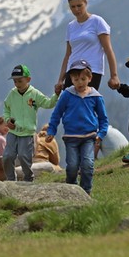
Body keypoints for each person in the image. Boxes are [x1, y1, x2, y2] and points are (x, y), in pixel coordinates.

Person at [45, 59, 109, 195]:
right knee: (72, 166)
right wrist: (51, 130)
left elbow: (103, 119)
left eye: (82, 79)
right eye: (75, 79)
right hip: (71, 138)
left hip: (89, 137)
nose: (79, 82)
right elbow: (57, 114)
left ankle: (86, 192)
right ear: (71, 79)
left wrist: (101, 133)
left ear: (90, 78)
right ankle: (72, 190)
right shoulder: (67, 95)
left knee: (87, 165)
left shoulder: (96, 97)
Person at [55, 0, 121, 93]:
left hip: (91, 71)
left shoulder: (97, 21)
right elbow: (68, 55)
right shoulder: (70, 26)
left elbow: (108, 49)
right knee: (69, 106)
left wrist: (114, 76)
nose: (76, 9)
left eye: (79, 5)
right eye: (73, 7)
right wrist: (60, 80)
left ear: (85, 3)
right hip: (73, 71)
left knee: (86, 104)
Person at [1, 64, 59, 181]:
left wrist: (56, 94)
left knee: (24, 157)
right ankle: (11, 180)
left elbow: (48, 103)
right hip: (13, 132)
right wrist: (7, 120)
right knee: (7, 156)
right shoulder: (12, 94)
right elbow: (6, 108)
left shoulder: (35, 94)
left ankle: (28, 178)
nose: (17, 84)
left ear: (28, 79)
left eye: (20, 81)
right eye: (15, 81)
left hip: (27, 133)